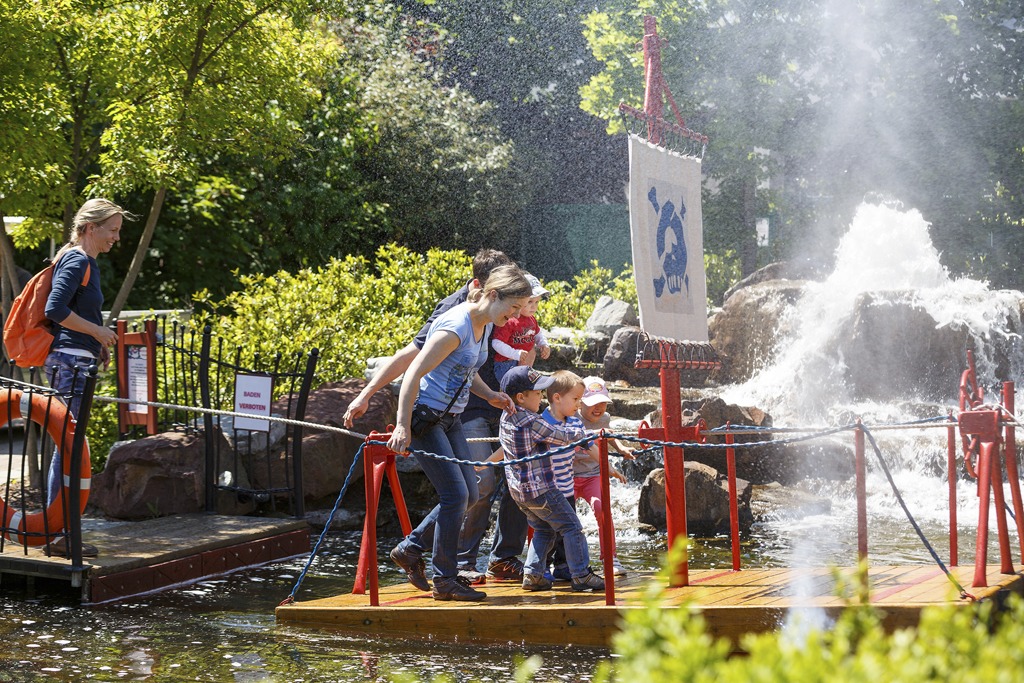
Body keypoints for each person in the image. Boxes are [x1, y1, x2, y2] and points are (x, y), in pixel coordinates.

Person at [386, 265, 533, 602]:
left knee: (469, 491)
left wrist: (491, 395)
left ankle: (410, 550)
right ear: (493, 295)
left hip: (451, 418)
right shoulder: (455, 327)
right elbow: (412, 374)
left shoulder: (482, 327)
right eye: (512, 308)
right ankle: (445, 579)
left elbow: (466, 372)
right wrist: (402, 425)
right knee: (455, 496)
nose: (514, 318)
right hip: (425, 418)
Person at [43, 198, 134, 557]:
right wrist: (97, 333)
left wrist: (97, 341)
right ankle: (58, 533)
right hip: (69, 363)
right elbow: (55, 309)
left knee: (68, 446)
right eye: (112, 230)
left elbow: (74, 311)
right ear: (90, 227)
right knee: (68, 446)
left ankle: (60, 530)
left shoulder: (82, 260)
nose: (116, 237)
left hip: (77, 358)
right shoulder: (78, 259)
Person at [498, 365, 605, 593]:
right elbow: (560, 435)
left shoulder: (506, 416)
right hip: (540, 489)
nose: (542, 397)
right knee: (572, 526)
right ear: (521, 397)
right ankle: (581, 574)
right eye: (538, 393)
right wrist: (584, 434)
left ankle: (534, 575)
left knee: (545, 530)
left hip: (519, 492)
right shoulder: (529, 420)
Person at [575, 376, 636, 577]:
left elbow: (609, 437)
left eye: (602, 402)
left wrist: (621, 448)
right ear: (580, 401)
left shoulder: (605, 418)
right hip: (569, 475)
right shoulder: (572, 417)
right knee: (562, 518)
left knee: (602, 509)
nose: (598, 408)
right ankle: (558, 561)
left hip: (593, 474)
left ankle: (610, 557)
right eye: (593, 403)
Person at [538, 370, 592, 582]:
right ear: (557, 398)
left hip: (567, 487)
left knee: (567, 531)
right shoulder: (542, 422)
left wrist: (607, 466)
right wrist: (487, 463)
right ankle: (541, 568)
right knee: (547, 530)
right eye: (576, 399)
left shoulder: (576, 423)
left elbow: (589, 446)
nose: (579, 404)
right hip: (547, 489)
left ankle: (563, 566)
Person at [490, 273, 550, 383]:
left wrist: (543, 344)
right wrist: (515, 354)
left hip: (523, 361)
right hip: (507, 363)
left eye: (537, 302)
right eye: (530, 301)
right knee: (511, 391)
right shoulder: (510, 319)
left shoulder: (531, 319)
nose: (534, 306)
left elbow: (537, 333)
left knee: (521, 392)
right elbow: (496, 343)